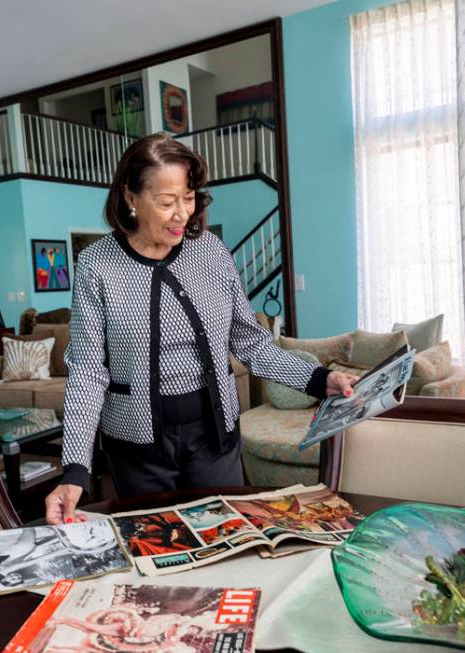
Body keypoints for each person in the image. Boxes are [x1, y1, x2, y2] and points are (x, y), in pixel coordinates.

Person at [44, 134, 358, 525]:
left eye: (189, 198)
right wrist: (75, 470)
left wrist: (317, 379)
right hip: (138, 450)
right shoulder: (96, 265)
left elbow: (251, 342)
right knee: (157, 551)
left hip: (215, 439)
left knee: (228, 542)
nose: (182, 214)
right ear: (130, 197)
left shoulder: (211, 251)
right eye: (166, 202)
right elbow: (88, 372)